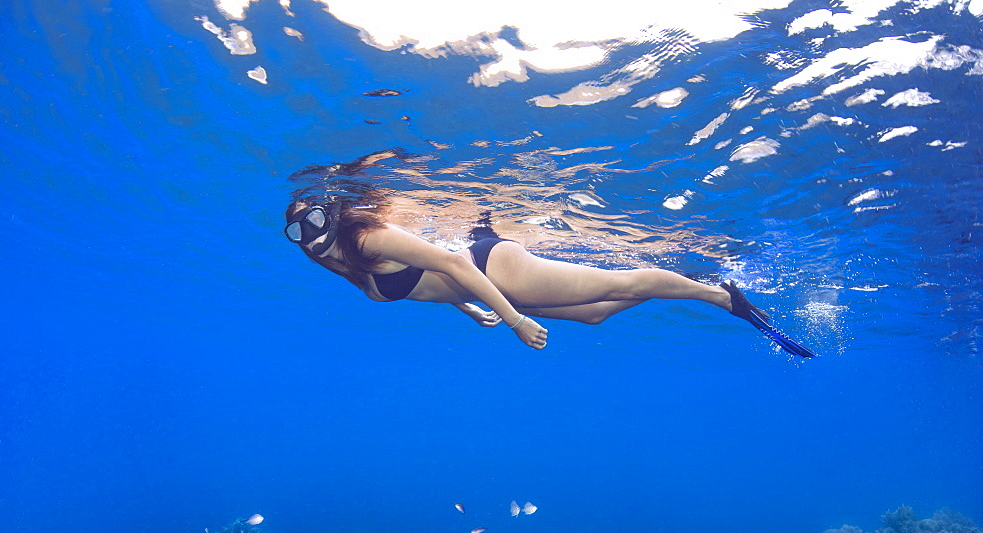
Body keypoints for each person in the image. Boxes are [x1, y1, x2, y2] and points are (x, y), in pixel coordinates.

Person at [284, 185, 815, 357]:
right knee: (598, 316)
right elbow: (433, 287)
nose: (325, 251)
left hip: (497, 268)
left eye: (328, 238)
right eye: (316, 250)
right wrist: (470, 310)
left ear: (338, 221)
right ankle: (672, 287)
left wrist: (513, 319)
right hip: (488, 292)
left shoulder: (372, 237)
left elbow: (448, 262)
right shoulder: (350, 269)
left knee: (618, 284)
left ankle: (719, 297)